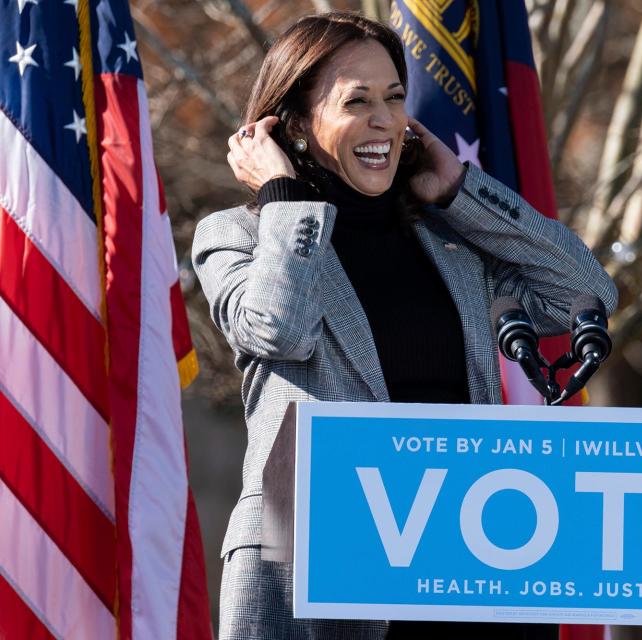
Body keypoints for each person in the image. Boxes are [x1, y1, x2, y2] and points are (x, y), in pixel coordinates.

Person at [192, 11, 617, 640]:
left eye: (394, 97)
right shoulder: (239, 235)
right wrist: (283, 196)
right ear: (294, 126)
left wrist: (457, 190)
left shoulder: (451, 241)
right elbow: (281, 329)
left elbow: (585, 291)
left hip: (462, 557)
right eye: (356, 101)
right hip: (314, 563)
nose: (385, 120)